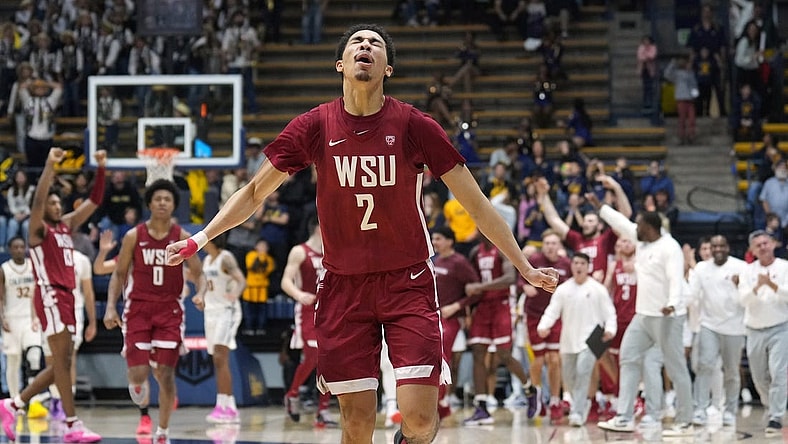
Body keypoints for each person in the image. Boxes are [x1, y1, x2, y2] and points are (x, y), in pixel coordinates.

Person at [165, 24, 558, 444]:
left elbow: (477, 204)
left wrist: (524, 266)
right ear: (341, 64)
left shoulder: (415, 125)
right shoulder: (315, 125)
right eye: (357, 41)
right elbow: (255, 191)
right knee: (355, 425)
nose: (366, 45)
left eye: (375, 43)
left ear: (388, 68)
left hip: (407, 281)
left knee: (422, 420)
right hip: (342, 286)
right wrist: (200, 237)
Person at [0, 147, 106, 443]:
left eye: (60, 202)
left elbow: (95, 200)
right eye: (52, 202)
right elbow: (37, 201)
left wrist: (101, 168)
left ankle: (14, 403)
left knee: (63, 362)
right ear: (43, 207)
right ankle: (72, 424)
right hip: (50, 295)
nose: (57, 206)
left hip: (68, 298)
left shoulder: (66, 226)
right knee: (61, 361)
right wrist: (49, 165)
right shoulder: (39, 231)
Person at [103, 179, 206, 444]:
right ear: (149, 203)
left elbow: (199, 273)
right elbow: (118, 273)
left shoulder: (182, 237)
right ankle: (142, 405)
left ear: (173, 206)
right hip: (137, 309)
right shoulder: (133, 235)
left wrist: (201, 293)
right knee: (138, 376)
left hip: (169, 310)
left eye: (167, 199)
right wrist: (111, 307)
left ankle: (162, 433)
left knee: (167, 374)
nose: (162, 202)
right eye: (157, 198)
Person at [589, 194, 695, 438]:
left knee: (676, 367)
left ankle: (685, 420)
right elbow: (620, 223)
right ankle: (624, 417)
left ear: (651, 228)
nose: (635, 229)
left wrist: (671, 304)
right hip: (643, 316)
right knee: (627, 357)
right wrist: (601, 207)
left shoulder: (670, 248)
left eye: (640, 226)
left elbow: (675, 280)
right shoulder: (642, 241)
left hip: (667, 317)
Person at [537, 252, 616, 427]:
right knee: (569, 378)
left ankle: (577, 413)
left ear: (588, 267)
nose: (578, 266)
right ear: (571, 266)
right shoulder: (563, 289)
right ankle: (583, 402)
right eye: (576, 263)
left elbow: (609, 313)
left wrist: (610, 329)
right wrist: (544, 325)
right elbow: (552, 311)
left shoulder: (598, 289)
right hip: (568, 341)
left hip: (591, 339)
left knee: (583, 372)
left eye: (582, 263)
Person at [463, 236, 532, 426]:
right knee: (478, 353)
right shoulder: (475, 252)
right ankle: (481, 407)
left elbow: (510, 278)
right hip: (483, 307)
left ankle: (529, 389)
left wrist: (480, 287)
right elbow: (470, 280)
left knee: (503, 354)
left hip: (502, 305)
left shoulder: (501, 248)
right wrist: (467, 308)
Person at [280, 217, 337, 427]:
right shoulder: (300, 251)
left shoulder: (335, 252)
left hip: (331, 310)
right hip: (306, 309)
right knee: (314, 355)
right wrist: (299, 294)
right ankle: (292, 393)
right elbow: (285, 280)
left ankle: (323, 411)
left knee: (331, 360)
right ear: (319, 226)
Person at [686, 235, 747, 428]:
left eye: (722, 245)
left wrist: (740, 286)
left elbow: (747, 300)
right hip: (709, 325)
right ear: (710, 249)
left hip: (734, 327)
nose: (718, 249)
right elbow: (691, 295)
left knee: (731, 371)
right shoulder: (702, 269)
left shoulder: (741, 267)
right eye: (714, 246)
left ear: (728, 247)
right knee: (704, 365)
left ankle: (729, 410)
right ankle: (700, 409)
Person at [734, 230, 788, 437]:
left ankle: (776, 416)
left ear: (773, 244)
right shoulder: (747, 271)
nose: (763, 247)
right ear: (752, 250)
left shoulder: (784, 267)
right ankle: (769, 404)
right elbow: (743, 301)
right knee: (758, 376)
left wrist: (771, 284)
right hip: (754, 329)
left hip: (780, 327)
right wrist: (759, 285)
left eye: (766, 243)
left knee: (778, 372)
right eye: (758, 245)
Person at [193, 235, 246, 424]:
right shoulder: (206, 260)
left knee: (219, 357)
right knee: (217, 360)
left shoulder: (226, 257)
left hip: (227, 311)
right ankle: (223, 404)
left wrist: (234, 294)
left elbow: (241, 279)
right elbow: (201, 282)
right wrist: (200, 296)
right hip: (211, 312)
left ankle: (228, 406)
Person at [0, 237, 40, 399]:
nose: (19, 250)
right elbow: (1, 298)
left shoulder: (33, 266)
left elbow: (38, 293)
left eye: (21, 247)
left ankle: (34, 398)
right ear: (10, 249)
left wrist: (37, 316)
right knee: (13, 361)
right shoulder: (4, 269)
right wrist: (2, 319)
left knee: (34, 355)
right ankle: (14, 399)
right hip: (11, 318)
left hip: (30, 319)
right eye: (15, 247)